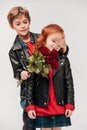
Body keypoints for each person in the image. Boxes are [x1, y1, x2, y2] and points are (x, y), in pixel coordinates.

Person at [7, 6, 68, 130]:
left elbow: (59, 54)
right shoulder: (14, 51)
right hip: (29, 92)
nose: (23, 26)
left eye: (25, 22)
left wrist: (64, 46)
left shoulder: (41, 38)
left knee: (48, 122)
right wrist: (21, 74)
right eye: (18, 24)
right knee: (30, 122)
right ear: (12, 26)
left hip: (45, 87)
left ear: (29, 21)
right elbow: (16, 72)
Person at [25, 24, 75, 130]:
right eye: (53, 40)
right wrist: (30, 106)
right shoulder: (36, 59)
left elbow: (69, 84)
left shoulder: (63, 60)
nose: (57, 44)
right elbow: (30, 85)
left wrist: (70, 104)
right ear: (44, 41)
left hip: (59, 106)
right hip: (42, 106)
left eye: (60, 41)